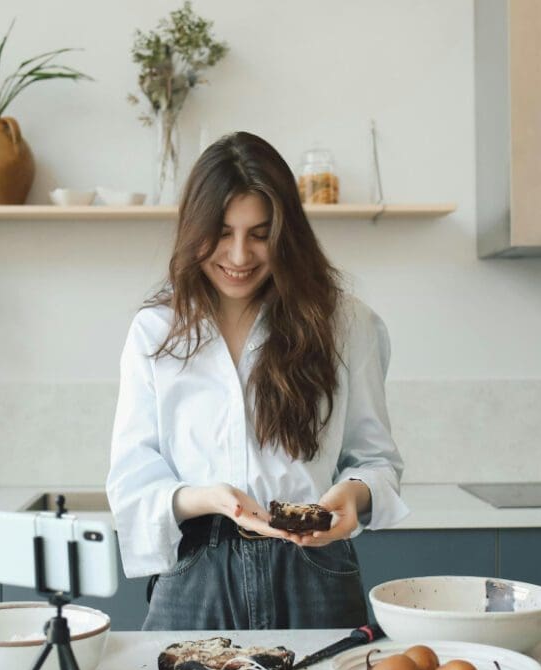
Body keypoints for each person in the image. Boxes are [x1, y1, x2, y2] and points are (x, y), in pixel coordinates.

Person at [106, 131, 409, 631]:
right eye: (223, 232)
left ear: (287, 233)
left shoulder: (345, 324)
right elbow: (132, 478)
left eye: (260, 233)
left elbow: (376, 461)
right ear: (193, 229)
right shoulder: (156, 331)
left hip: (314, 570)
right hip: (195, 570)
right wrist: (210, 498)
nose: (240, 255)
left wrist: (353, 497)